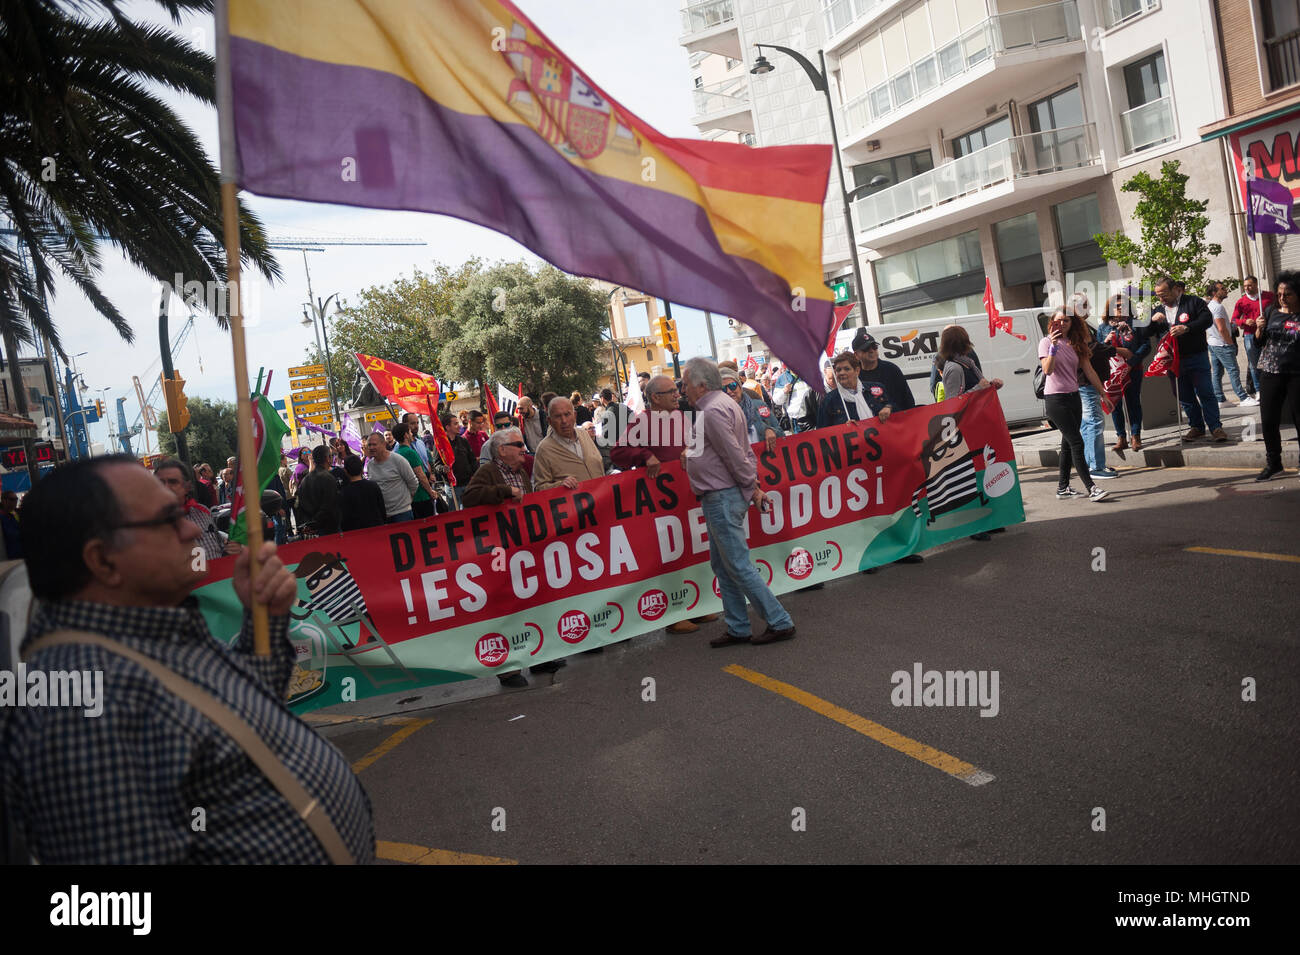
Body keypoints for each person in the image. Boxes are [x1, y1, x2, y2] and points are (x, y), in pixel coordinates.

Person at [1, 455, 375, 863]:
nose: (188, 530)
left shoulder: (145, 633)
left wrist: (263, 617)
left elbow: (243, 717)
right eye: (165, 519)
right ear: (103, 561)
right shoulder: (80, 711)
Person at [681, 358, 794, 647]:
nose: (683, 389)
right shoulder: (719, 406)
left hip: (722, 496)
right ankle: (738, 627)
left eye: (685, 383)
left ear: (701, 385)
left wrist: (752, 488)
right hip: (722, 495)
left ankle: (779, 621)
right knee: (724, 565)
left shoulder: (713, 410)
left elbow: (734, 454)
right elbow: (734, 451)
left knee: (736, 564)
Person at [462, 429, 560, 685]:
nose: (522, 449)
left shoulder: (521, 472)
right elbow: (469, 497)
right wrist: (504, 491)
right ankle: (509, 669)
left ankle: (538, 658)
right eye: (517, 444)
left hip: (524, 549)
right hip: (499, 551)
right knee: (507, 609)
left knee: (531, 603)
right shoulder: (488, 472)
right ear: (501, 450)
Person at [1039, 307, 1112, 502]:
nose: (1062, 324)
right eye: (1058, 321)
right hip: (1055, 399)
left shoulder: (1075, 344)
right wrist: (1053, 346)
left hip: (1074, 396)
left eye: (1066, 321)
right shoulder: (1046, 342)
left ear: (1073, 324)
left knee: (1068, 444)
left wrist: (1103, 394)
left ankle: (1063, 488)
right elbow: (1048, 369)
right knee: (1077, 442)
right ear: (1052, 322)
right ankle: (1092, 488)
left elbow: (1089, 371)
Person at [1149, 276, 1229, 442]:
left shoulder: (1193, 302)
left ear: (1175, 289)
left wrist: (1187, 328)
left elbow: (1206, 320)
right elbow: (1147, 333)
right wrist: (1152, 321)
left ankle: (1215, 427)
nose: (1161, 298)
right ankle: (1196, 426)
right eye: (1158, 295)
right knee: (1184, 395)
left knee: (1206, 392)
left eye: (1164, 294)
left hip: (1196, 356)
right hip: (1173, 361)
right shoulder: (1158, 309)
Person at [1253, 270, 1300, 480]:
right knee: (1269, 420)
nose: (1282, 298)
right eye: (1279, 293)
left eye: (1288, 294)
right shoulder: (1271, 311)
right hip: (1270, 371)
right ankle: (1274, 463)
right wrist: (1258, 329)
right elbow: (1260, 343)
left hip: (1296, 373)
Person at [153, 457, 239, 559]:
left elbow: (219, 545)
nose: (166, 487)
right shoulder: (152, 525)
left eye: (173, 482)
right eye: (161, 483)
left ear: (187, 487)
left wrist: (231, 548)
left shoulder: (202, 511)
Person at [1097, 293, 1149, 452]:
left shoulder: (1137, 324)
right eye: (1117, 306)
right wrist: (1105, 342)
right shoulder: (1104, 327)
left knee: (1133, 402)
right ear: (1110, 309)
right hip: (1112, 372)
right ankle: (1121, 437)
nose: (1120, 308)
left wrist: (1132, 362)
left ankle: (1135, 436)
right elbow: (1097, 349)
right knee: (1115, 403)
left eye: (1123, 305)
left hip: (1132, 369)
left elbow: (1146, 346)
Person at [533, 396, 605, 491]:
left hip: (602, 499)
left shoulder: (584, 434)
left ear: (574, 416)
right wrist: (559, 485)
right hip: (576, 504)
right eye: (558, 416)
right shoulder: (544, 450)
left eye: (567, 414)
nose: (564, 421)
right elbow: (539, 488)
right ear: (549, 421)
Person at [1206, 281, 1256, 407]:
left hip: (1213, 343)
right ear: (1214, 293)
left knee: (1217, 372)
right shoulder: (1217, 307)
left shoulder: (1210, 306)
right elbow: (1221, 329)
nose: (1225, 290)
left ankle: (1220, 399)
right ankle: (1243, 397)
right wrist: (1230, 344)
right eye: (1222, 288)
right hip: (1222, 344)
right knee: (1233, 370)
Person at [816, 351, 891, 428]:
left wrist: (889, 408)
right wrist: (842, 429)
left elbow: (898, 411)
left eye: (846, 369)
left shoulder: (877, 388)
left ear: (857, 371)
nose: (842, 373)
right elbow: (822, 433)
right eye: (838, 370)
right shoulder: (828, 401)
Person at [720, 366, 784, 454]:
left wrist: (770, 431)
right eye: (723, 389)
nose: (729, 391)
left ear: (739, 386)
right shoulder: (717, 416)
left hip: (765, 461)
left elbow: (781, 434)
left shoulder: (759, 406)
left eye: (732, 386)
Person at [853, 328, 915, 412]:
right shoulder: (854, 376)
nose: (871, 351)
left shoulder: (891, 369)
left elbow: (908, 400)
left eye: (874, 347)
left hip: (897, 421)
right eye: (866, 348)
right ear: (856, 355)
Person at [364, 431, 418, 523]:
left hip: (402, 514)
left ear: (383, 444)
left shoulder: (398, 460)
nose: (371, 448)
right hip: (383, 515)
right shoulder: (370, 465)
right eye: (369, 445)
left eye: (374, 444)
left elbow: (413, 483)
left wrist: (407, 501)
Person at [1232, 274, 1273, 397]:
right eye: (1245, 286)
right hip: (1250, 335)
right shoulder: (1241, 301)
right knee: (1254, 363)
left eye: (1249, 285)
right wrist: (1244, 321)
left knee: (1271, 361)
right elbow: (1234, 320)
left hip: (1268, 332)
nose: (1247, 288)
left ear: (1256, 284)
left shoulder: (1269, 296)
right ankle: (1259, 389)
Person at [390, 422, 437, 518]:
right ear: (406, 435)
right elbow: (421, 475)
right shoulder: (410, 453)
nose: (412, 434)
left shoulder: (397, 453)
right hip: (421, 496)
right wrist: (430, 491)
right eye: (410, 432)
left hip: (408, 498)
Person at [296, 445, 341, 535]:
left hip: (313, 527)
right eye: (331, 456)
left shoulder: (305, 480)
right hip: (329, 527)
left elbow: (300, 505)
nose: (332, 458)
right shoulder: (328, 478)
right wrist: (315, 522)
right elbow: (329, 505)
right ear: (327, 458)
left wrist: (310, 524)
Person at [339, 454, 387, 530]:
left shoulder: (344, 492)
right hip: (377, 528)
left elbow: (345, 518)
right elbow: (382, 509)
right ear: (362, 469)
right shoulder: (373, 486)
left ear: (345, 471)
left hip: (357, 533)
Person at [0, 490, 19, 559]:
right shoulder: (2, 518)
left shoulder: (13, 515)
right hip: (8, 558)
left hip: (18, 555)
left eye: (16, 499)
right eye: (12, 499)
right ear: (3, 501)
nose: (15, 501)